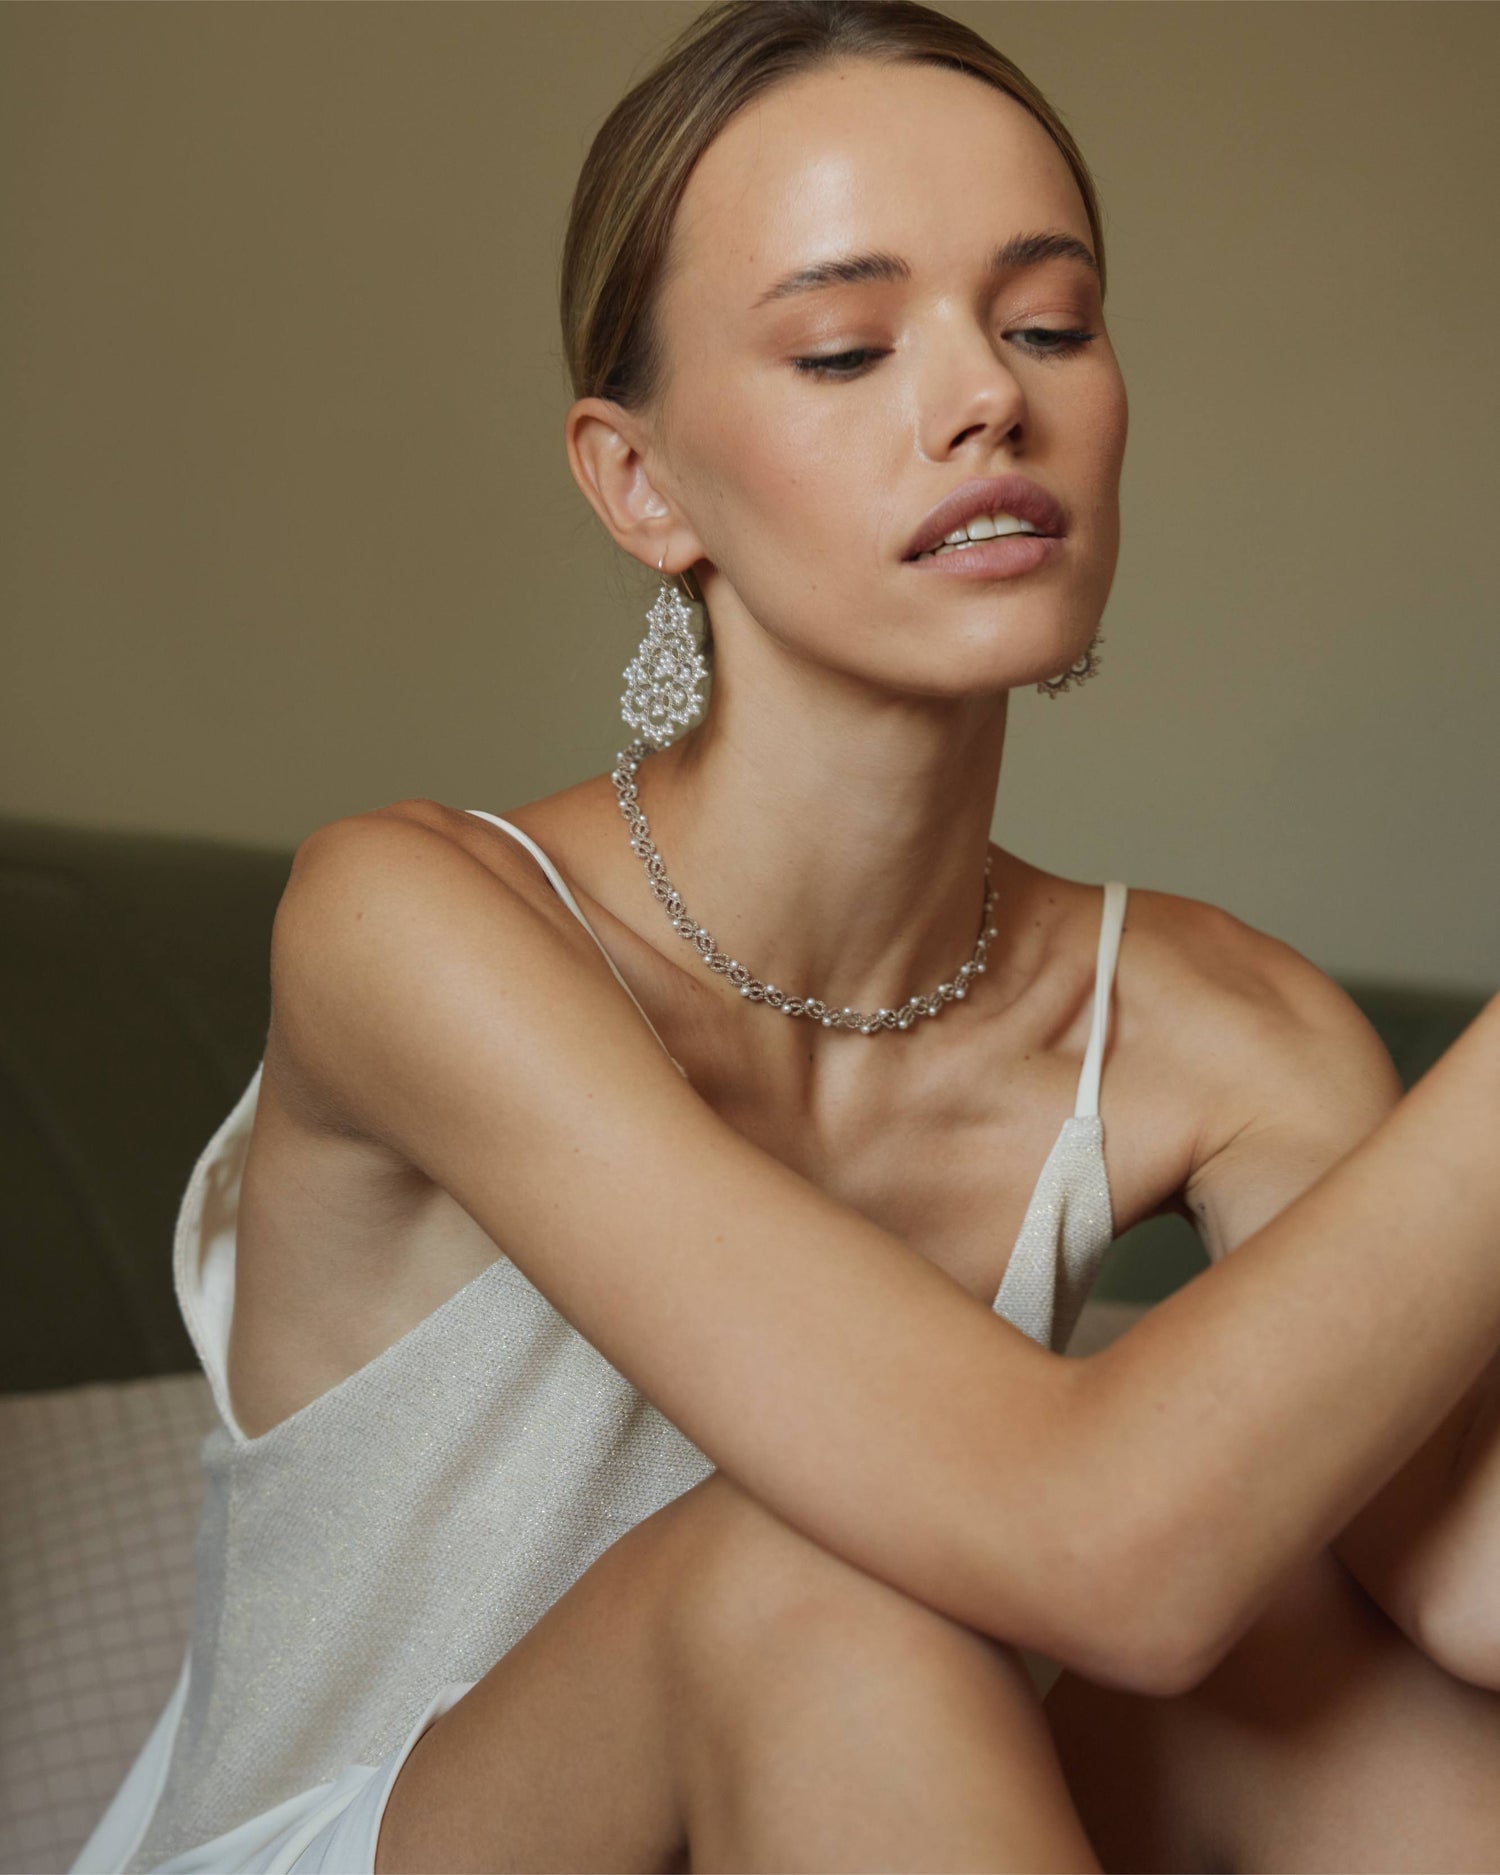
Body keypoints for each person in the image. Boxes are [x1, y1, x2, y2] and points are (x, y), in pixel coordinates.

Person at [73, 4, 1500, 1871]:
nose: (986, 395)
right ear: (641, 485)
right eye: (844, 345)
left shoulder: (1213, 1031)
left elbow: (1465, 1603)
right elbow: (1108, 1546)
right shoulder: (415, 922)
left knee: (1301, 1678)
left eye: (1049, 321)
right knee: (810, 1582)